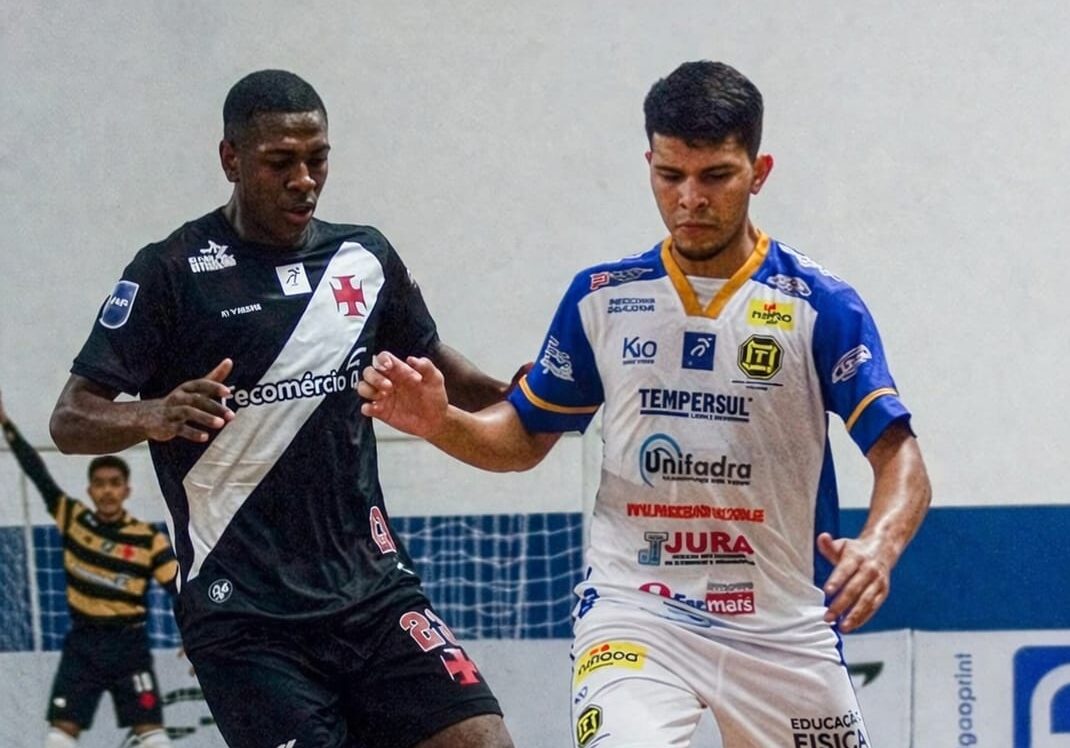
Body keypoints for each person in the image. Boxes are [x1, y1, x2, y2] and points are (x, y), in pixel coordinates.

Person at [358, 60, 933, 747]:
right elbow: (523, 437)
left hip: (781, 627)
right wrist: (440, 423)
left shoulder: (821, 305)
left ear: (759, 171)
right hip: (637, 615)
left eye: (715, 176)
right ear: (649, 166)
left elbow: (901, 458)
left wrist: (878, 546)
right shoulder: (602, 298)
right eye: (670, 175)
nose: (690, 198)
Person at [49, 70, 515, 748]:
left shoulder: (363, 257)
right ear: (231, 159)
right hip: (244, 617)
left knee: (483, 739)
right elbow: (70, 419)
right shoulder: (169, 272)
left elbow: (434, 361)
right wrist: (153, 414)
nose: (304, 180)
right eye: (280, 163)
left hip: (373, 592)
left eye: (317, 159)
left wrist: (521, 396)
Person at [0, 391, 176, 748]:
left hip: (129, 645)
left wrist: (197, 634)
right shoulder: (73, 519)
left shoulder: (148, 539)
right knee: (59, 737)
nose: (108, 491)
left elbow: (178, 589)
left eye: (114, 484)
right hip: (84, 643)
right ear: (91, 490)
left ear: (126, 490)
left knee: (153, 737)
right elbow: (38, 474)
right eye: (101, 484)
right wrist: (6, 425)